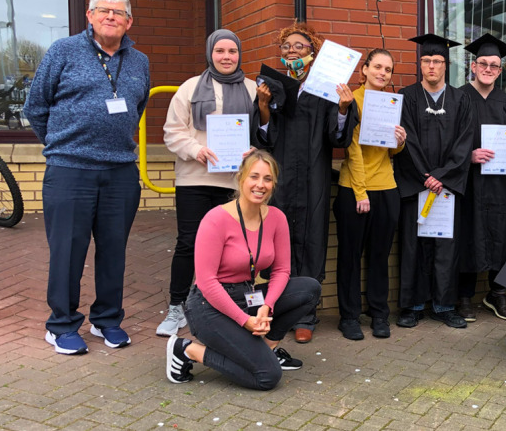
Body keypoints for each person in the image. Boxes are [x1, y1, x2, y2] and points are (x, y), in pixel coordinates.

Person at [24, 0, 150, 355]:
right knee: (68, 250)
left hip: (120, 171)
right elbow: (36, 107)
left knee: (114, 250)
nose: (111, 17)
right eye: (103, 10)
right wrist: (64, 144)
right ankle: (61, 325)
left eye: (119, 12)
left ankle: (107, 320)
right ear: (89, 16)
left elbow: (136, 108)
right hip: (70, 169)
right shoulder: (63, 51)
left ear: (129, 21)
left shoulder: (139, 60)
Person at [165, 150, 320, 390]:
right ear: (241, 179)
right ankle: (188, 350)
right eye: (254, 176)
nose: (260, 185)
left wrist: (266, 307)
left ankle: (267, 347)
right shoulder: (215, 219)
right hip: (209, 306)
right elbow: (206, 282)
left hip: (248, 297)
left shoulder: (276, 218)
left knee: (309, 288)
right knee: (267, 376)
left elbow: (281, 271)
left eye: (267, 179)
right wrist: (245, 321)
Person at [255, 23, 355, 343]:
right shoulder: (272, 87)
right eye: (287, 47)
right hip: (281, 177)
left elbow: (336, 136)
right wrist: (261, 106)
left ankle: (306, 316)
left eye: (299, 47)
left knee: (311, 240)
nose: (292, 52)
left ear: (312, 52)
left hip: (313, 176)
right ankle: (274, 310)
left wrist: (342, 108)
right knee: (278, 241)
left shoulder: (325, 89)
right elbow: (263, 139)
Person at [157, 29, 260, 336]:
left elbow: (262, 132)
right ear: (210, 53)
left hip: (233, 182)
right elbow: (172, 131)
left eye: (232, 51)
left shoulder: (254, 90)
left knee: (234, 247)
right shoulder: (190, 88)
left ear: (239, 54)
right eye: (220, 51)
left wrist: (254, 150)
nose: (226, 57)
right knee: (188, 243)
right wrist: (196, 150)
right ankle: (177, 307)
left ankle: (223, 304)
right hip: (194, 178)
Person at [394, 34, 475, 329]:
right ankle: (412, 306)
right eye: (426, 61)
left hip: (447, 188)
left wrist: (442, 176)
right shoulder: (407, 96)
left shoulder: (461, 99)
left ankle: (444, 305)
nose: (431, 66)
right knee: (414, 245)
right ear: (420, 63)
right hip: (416, 184)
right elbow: (407, 140)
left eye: (437, 61)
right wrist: (425, 177)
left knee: (446, 247)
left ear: (446, 64)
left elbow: (465, 142)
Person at [333, 49, 408, 340]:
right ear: (364, 69)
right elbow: (352, 150)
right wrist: (361, 193)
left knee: (379, 256)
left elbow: (389, 150)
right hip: (355, 189)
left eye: (388, 70)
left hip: (387, 188)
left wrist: (400, 142)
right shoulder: (353, 100)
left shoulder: (391, 103)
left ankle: (379, 314)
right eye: (377, 67)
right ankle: (349, 316)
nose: (382, 73)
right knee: (350, 256)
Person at [456, 33, 506, 322]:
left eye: (495, 66)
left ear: (500, 71)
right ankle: (463, 296)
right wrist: (469, 156)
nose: (488, 69)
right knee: (468, 234)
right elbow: (448, 141)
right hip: (470, 182)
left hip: (501, 184)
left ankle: (497, 293)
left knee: (503, 235)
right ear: (473, 66)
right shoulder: (459, 97)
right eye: (483, 63)